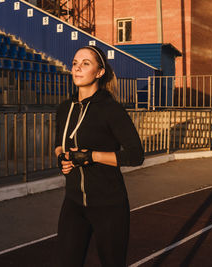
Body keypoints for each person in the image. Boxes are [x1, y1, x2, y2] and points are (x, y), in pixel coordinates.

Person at [54, 45, 145, 267]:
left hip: (109, 205)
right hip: (74, 202)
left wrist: (91, 156)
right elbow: (59, 145)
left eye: (85, 64)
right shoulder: (65, 108)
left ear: (99, 72)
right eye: (75, 63)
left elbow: (136, 155)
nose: (77, 68)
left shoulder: (110, 109)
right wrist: (61, 159)